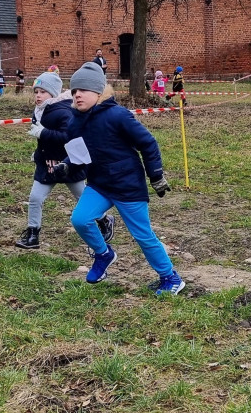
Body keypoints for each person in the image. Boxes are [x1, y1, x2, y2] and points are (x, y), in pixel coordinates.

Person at [56, 62, 185, 296]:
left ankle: (170, 277)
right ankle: (103, 254)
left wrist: (155, 175)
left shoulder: (117, 115)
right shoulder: (74, 121)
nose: (77, 95)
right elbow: (78, 151)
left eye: (83, 90)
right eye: (74, 91)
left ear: (98, 92)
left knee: (143, 236)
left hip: (128, 184)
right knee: (80, 219)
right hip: (99, 184)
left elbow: (148, 143)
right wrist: (66, 164)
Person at [16, 71, 115, 249]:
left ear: (53, 93)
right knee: (35, 198)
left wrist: (43, 133)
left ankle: (104, 219)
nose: (38, 96)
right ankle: (32, 234)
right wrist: (39, 153)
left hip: (67, 165)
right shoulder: (39, 111)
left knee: (82, 197)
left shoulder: (63, 111)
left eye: (42, 92)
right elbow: (45, 141)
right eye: (36, 91)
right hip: (46, 165)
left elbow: (68, 136)